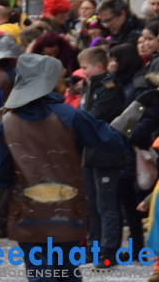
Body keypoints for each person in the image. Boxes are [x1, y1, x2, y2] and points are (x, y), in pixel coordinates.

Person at [0, 54, 128, 280]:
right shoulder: (71, 116)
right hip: (67, 212)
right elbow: (115, 143)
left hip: (28, 213)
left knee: (39, 274)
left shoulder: (8, 122)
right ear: (51, 82)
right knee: (67, 274)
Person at [77, 46, 126, 265]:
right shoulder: (90, 86)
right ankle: (92, 246)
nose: (82, 71)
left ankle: (108, 249)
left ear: (98, 66)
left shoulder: (110, 87)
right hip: (90, 152)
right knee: (92, 203)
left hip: (106, 151)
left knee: (106, 204)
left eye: (85, 67)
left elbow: (94, 116)